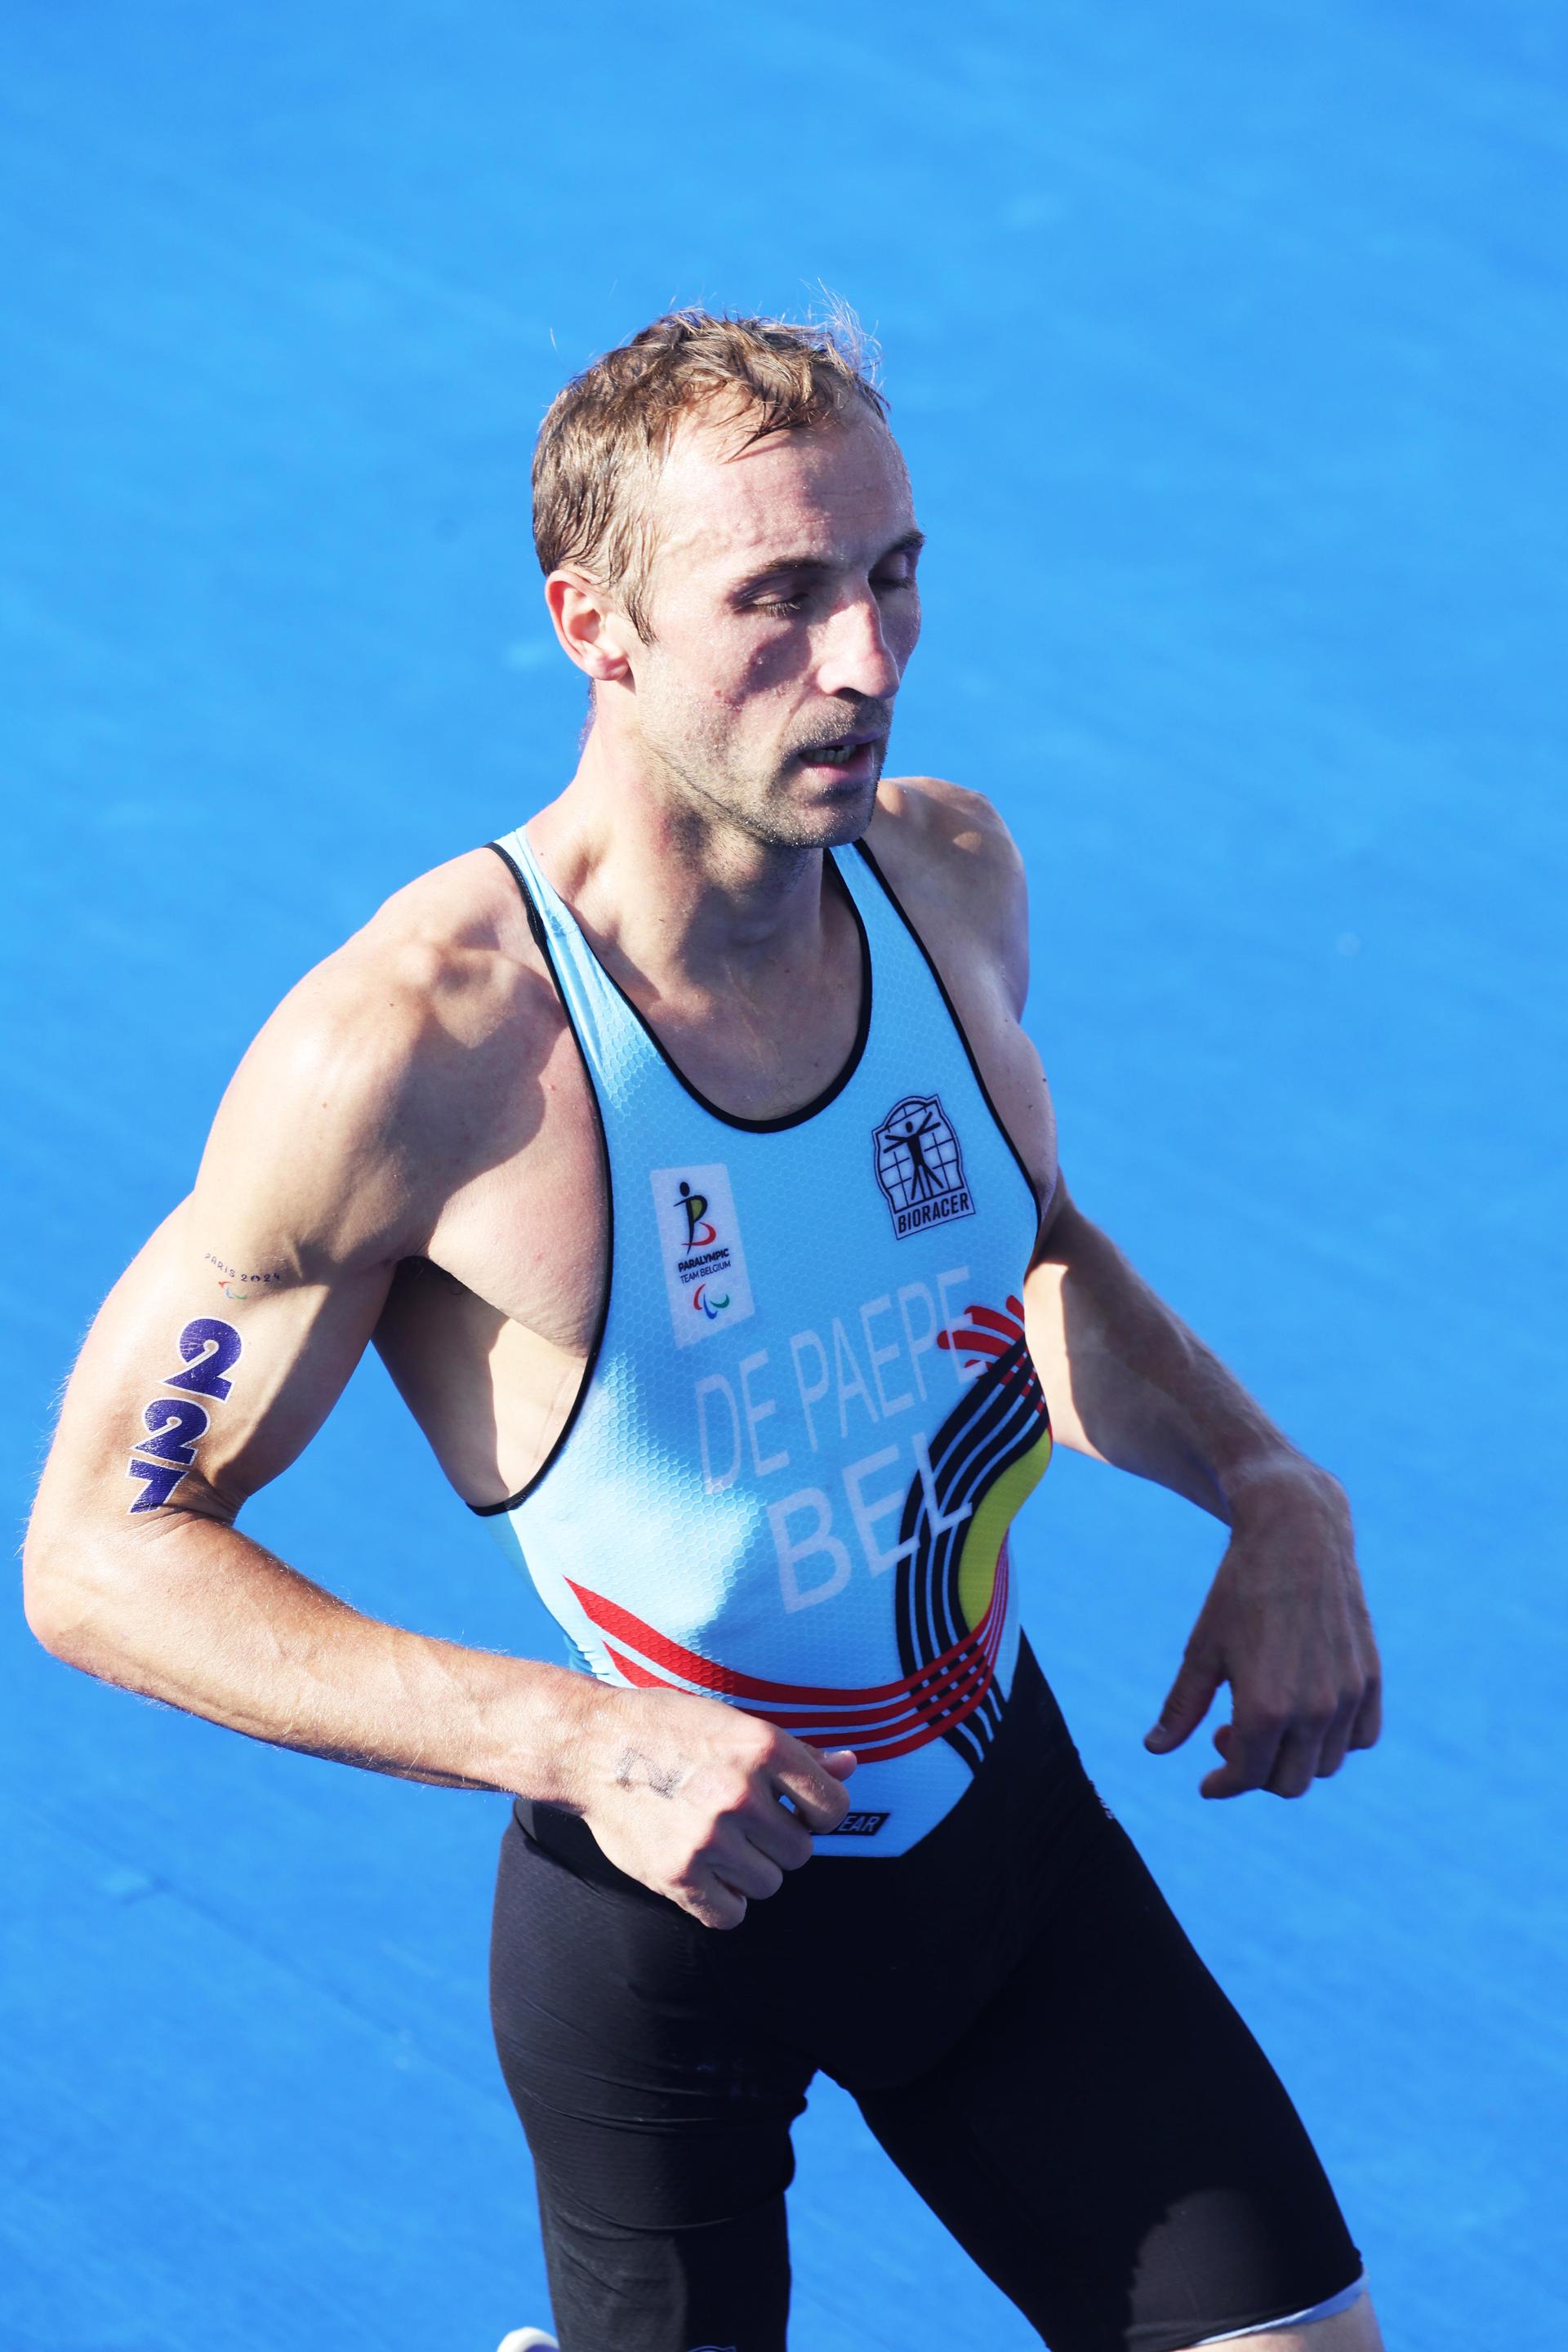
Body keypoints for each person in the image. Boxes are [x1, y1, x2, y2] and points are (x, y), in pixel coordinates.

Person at [24, 310, 1385, 2352]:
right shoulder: (425, 1052)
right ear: (596, 622)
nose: (866, 659)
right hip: (666, 1948)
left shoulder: (946, 878)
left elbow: (1019, 1257)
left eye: (892, 573)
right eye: (778, 598)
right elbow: (95, 1556)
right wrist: (578, 1735)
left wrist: (1270, 1485)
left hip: (1002, 1859)